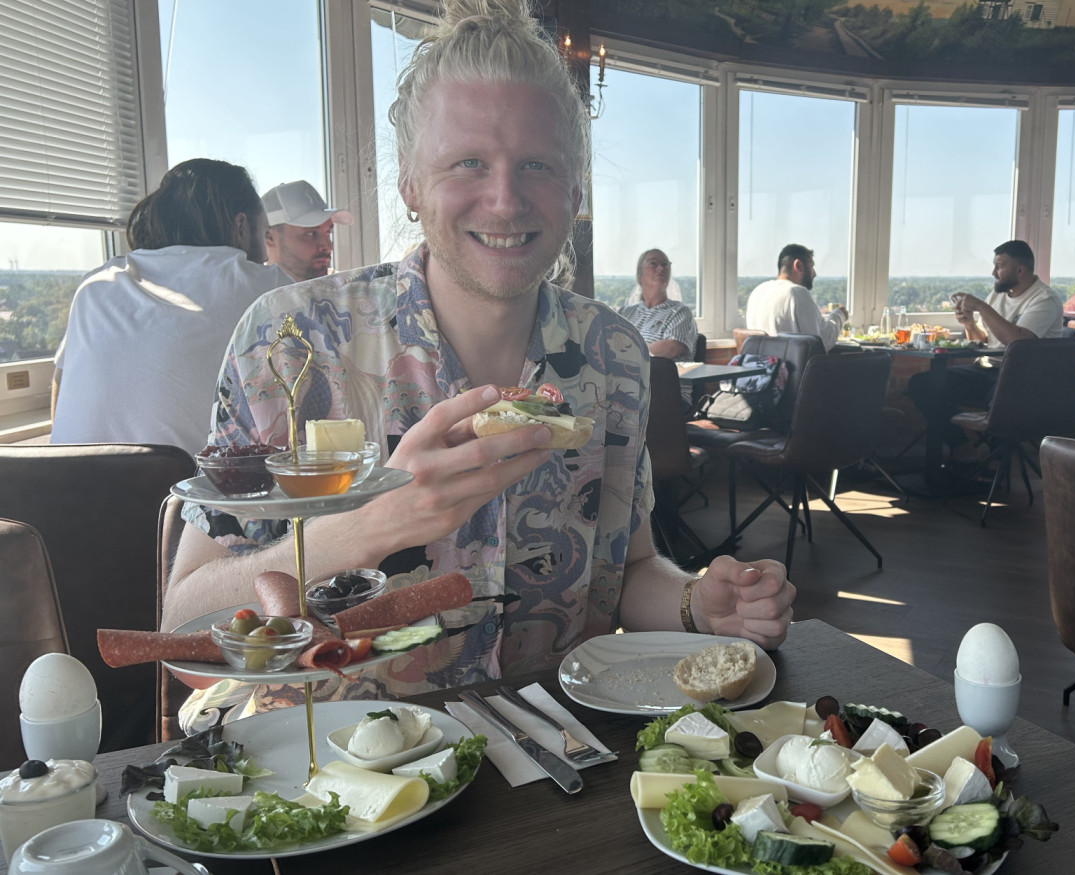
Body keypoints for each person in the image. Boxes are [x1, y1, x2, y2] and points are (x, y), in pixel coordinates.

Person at [160, 0, 794, 728]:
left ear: (576, 190)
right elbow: (184, 629)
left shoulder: (615, 356)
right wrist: (373, 522)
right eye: (468, 163)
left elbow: (631, 569)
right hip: (331, 787)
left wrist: (696, 599)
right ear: (409, 185)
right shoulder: (288, 342)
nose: (504, 199)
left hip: (553, 762)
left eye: (537, 165)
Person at [49, 159, 290, 456]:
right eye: (264, 232)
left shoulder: (96, 283)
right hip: (184, 496)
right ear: (241, 225)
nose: (265, 253)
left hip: (64, 490)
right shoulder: (267, 285)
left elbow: (59, 389)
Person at [906, 240, 1065, 472]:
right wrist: (969, 323)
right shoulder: (999, 294)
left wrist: (981, 306)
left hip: (1025, 381)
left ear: (1020, 270)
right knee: (924, 384)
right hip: (989, 370)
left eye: (999, 266)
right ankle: (964, 448)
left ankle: (992, 458)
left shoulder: (1044, 300)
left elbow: (1018, 341)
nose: (994, 273)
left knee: (997, 400)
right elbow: (983, 339)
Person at [745, 243, 846, 351]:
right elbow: (822, 343)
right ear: (798, 265)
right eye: (811, 266)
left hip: (761, 366)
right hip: (791, 367)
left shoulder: (758, 291)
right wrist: (839, 315)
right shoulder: (796, 292)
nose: (814, 273)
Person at [261, 180, 354, 283]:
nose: (328, 247)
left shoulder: (345, 292)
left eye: (328, 233)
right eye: (311, 234)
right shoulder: (250, 297)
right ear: (270, 238)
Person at [618, 249, 698, 359]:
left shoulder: (680, 312)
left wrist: (623, 356)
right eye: (653, 263)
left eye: (665, 264)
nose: (660, 268)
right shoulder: (625, 313)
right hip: (622, 375)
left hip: (659, 375)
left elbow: (671, 348)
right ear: (639, 274)